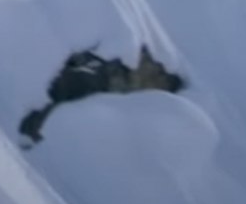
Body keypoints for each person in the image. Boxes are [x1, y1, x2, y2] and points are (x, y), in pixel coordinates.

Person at [16, 44, 188, 147]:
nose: (153, 79)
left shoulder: (118, 99)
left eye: (158, 83)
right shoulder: (111, 60)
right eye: (157, 73)